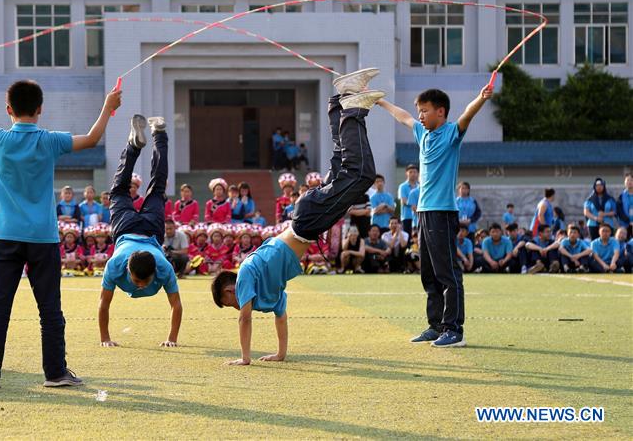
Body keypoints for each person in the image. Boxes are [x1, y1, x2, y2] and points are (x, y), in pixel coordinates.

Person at [0, 66, 120, 389]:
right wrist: (108, 107)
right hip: (43, 238)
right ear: (40, 109)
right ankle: (56, 373)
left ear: (8, 110)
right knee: (49, 307)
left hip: (4, 237)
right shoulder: (48, 141)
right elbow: (91, 138)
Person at [211, 69, 383, 365]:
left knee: (361, 175)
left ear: (230, 289)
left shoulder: (247, 275)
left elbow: (244, 320)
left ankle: (353, 109)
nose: (237, 306)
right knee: (344, 166)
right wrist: (280, 354)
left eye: (229, 303)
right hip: (308, 220)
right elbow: (281, 316)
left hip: (307, 222)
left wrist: (245, 358)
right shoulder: (269, 285)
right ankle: (339, 102)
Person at [378, 83, 493, 348]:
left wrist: (481, 98)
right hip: (424, 214)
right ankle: (436, 326)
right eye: (419, 111)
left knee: (447, 272)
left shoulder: (451, 133)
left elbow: (466, 115)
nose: (419, 115)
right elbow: (403, 116)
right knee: (428, 273)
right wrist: (380, 102)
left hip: (443, 213)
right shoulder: (423, 134)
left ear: (440, 112)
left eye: (424, 111)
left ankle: (454, 330)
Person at [98, 114, 183, 347]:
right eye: (138, 281)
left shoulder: (162, 267)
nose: (141, 285)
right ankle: (157, 135)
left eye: (144, 282)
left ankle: (140, 142)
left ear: (154, 271)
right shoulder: (116, 264)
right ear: (127, 269)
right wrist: (105, 339)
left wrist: (171, 340)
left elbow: (176, 305)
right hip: (149, 232)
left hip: (127, 227)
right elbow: (103, 304)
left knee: (120, 191)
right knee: (156, 186)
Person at [398, 164, 419, 236]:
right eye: (410, 172)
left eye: (415, 172)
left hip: (417, 217)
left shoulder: (420, 186)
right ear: (406, 173)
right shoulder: (402, 186)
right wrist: (414, 205)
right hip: (407, 216)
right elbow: (403, 201)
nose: (413, 174)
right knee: (407, 238)